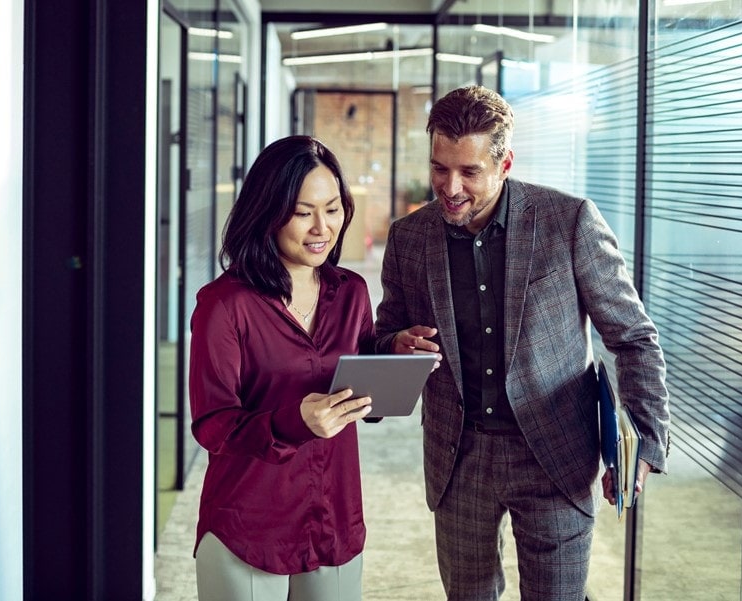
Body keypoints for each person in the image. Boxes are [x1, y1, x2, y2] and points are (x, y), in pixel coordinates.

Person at [373, 85, 671, 600]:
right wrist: (395, 345)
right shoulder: (409, 237)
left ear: (505, 161)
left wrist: (644, 439)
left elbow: (633, 337)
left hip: (555, 453)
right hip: (458, 454)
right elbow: (383, 335)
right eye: (440, 168)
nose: (450, 186)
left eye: (469, 172)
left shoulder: (570, 221)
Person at [189, 135, 375, 601]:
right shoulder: (224, 305)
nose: (321, 227)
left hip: (333, 517)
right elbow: (213, 425)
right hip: (250, 525)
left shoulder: (351, 292)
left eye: (332, 209)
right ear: (267, 211)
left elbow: (361, 385)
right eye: (301, 211)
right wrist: (293, 421)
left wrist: (398, 355)